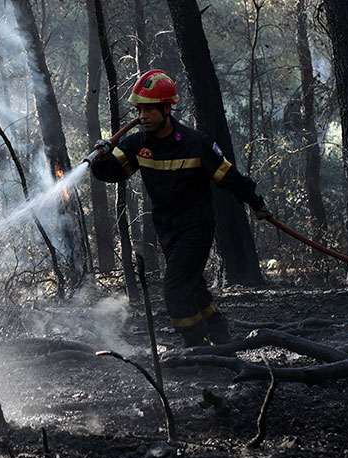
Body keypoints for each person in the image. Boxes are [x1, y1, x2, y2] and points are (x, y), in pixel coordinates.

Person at [90, 69, 272, 347]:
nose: (142, 117)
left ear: (166, 108)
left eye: (149, 110)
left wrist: (257, 204)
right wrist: (100, 158)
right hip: (168, 232)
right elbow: (113, 173)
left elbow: (230, 178)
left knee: (175, 290)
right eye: (139, 110)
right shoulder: (139, 144)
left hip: (195, 230)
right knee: (193, 287)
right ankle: (221, 339)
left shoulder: (196, 144)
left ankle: (197, 349)